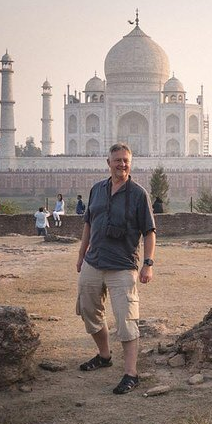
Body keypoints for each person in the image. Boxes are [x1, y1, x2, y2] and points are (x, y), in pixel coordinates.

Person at [76, 143, 156, 395]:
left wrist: (148, 263)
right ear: (108, 162)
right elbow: (88, 223)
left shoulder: (138, 193)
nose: (122, 164)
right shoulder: (97, 190)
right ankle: (104, 355)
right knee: (88, 311)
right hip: (94, 261)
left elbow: (150, 231)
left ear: (130, 163)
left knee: (126, 320)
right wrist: (81, 254)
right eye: (117, 160)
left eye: (126, 160)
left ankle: (131, 373)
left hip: (123, 265)